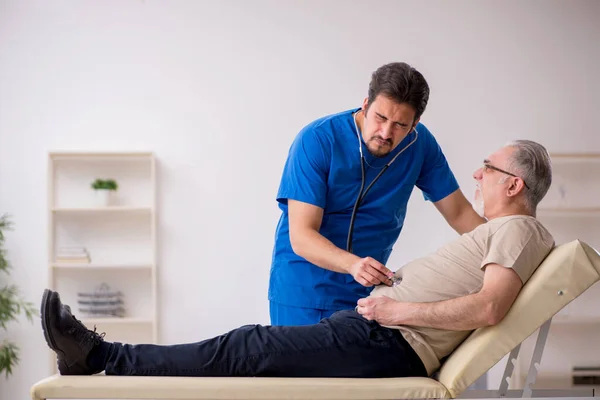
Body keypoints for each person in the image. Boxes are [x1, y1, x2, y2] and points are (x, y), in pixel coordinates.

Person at [41, 140, 554, 378]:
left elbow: (489, 308)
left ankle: (101, 357)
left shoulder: (520, 231)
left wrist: (396, 311)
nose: (476, 173)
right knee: (248, 352)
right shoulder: (506, 232)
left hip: (389, 338)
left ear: (513, 183)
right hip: (375, 328)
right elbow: (301, 234)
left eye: (487, 167)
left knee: (243, 348)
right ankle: (96, 357)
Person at [269, 62, 486, 326]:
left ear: (415, 124)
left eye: (400, 125)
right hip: (303, 292)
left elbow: (460, 213)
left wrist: (507, 247)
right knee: (303, 367)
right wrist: (352, 265)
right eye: (380, 118)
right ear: (365, 105)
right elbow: (302, 236)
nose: (386, 133)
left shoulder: (421, 145)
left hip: (368, 297)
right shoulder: (317, 140)